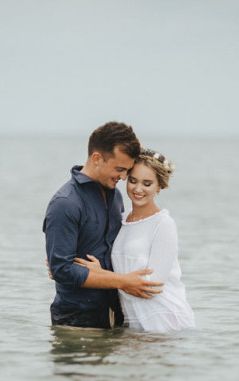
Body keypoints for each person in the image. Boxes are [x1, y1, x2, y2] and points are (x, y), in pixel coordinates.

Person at [43, 122, 163, 329]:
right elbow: (62, 270)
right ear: (97, 158)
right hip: (77, 322)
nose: (124, 177)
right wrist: (123, 281)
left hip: (117, 317)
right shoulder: (65, 203)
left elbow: (116, 250)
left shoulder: (115, 195)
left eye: (126, 170)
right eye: (119, 169)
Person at [74, 148, 195, 333]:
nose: (138, 189)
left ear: (159, 186)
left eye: (147, 183)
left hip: (162, 320)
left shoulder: (163, 224)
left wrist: (104, 277)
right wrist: (65, 267)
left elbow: (150, 286)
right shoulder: (120, 220)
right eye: (133, 181)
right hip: (133, 322)